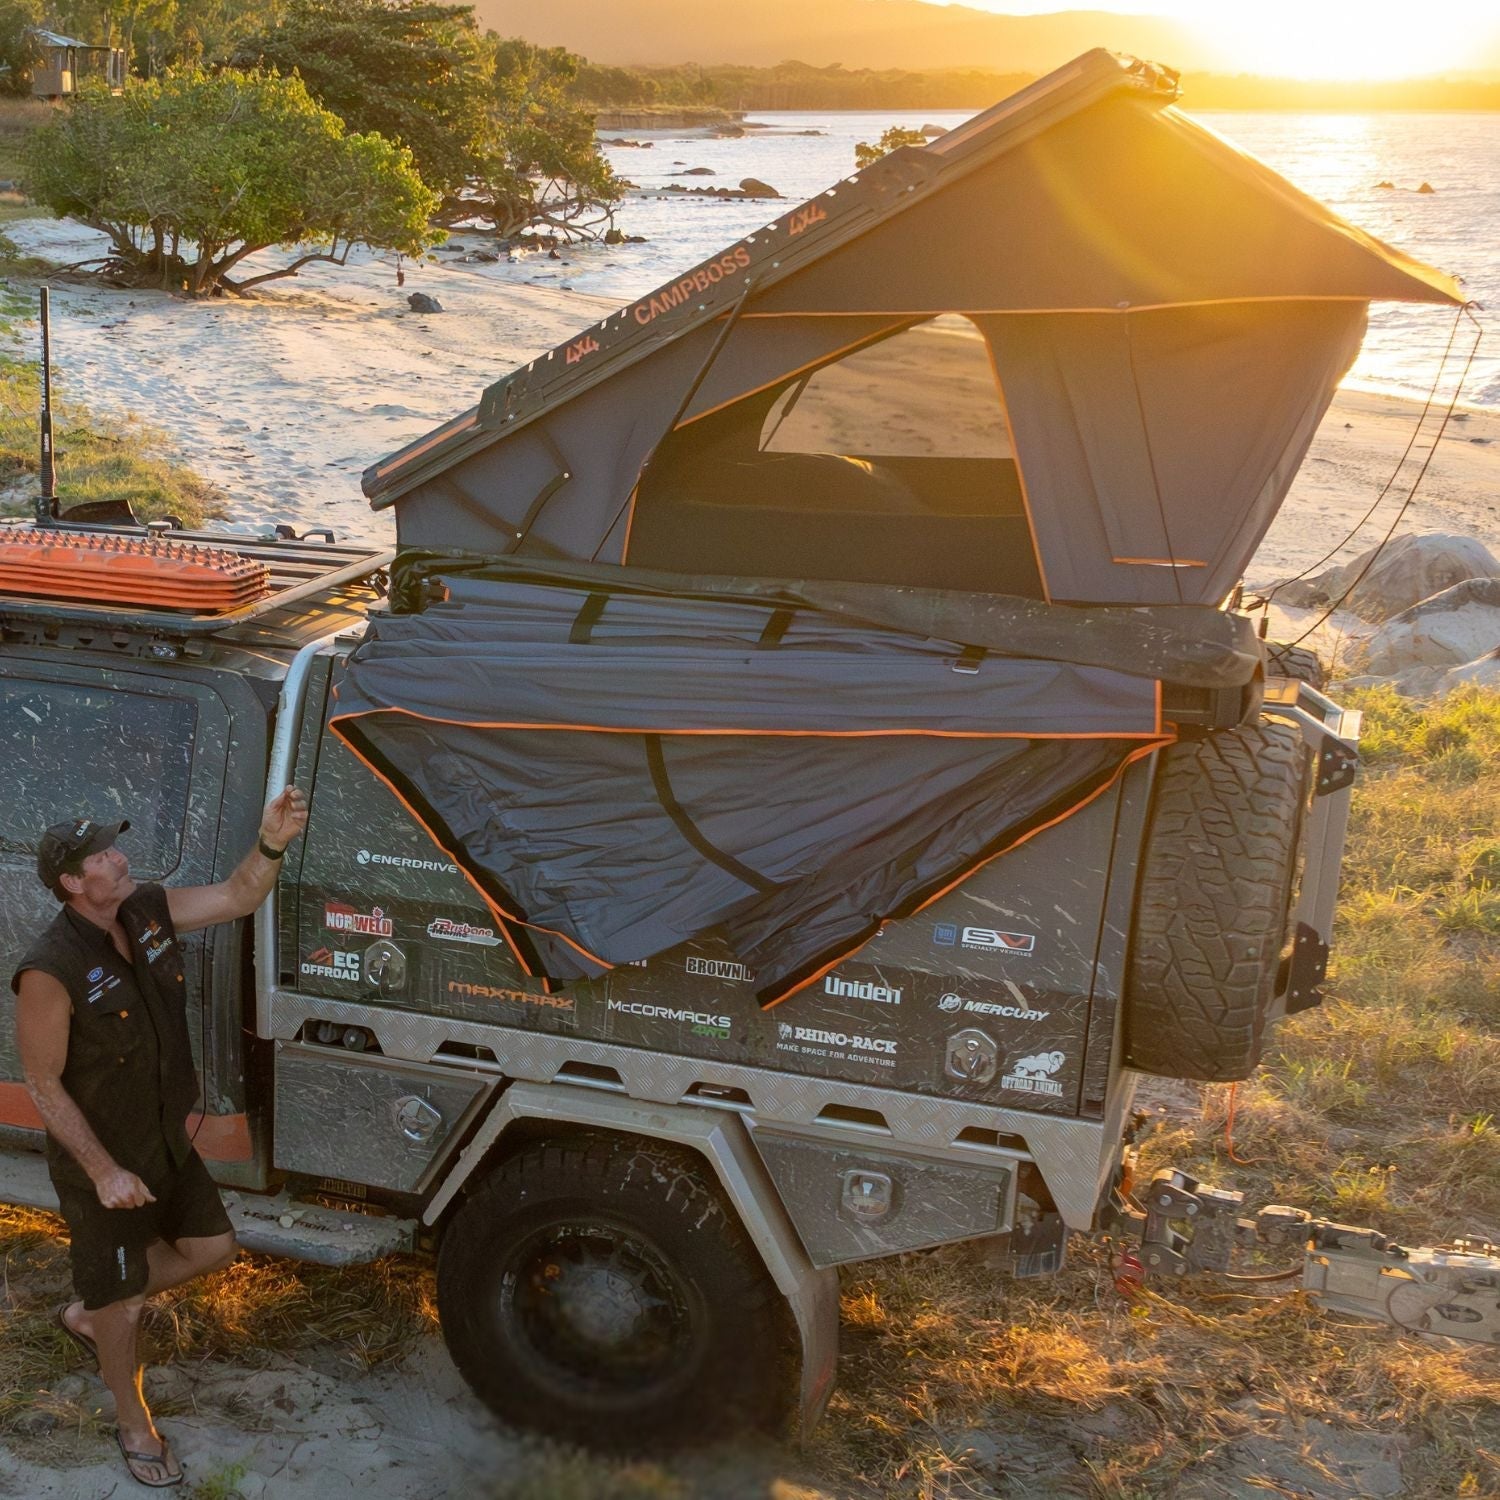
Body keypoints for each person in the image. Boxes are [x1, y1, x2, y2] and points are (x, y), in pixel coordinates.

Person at [12, 788, 308, 1489]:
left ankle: (94, 1310)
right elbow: (43, 1084)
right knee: (125, 1306)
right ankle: (131, 1419)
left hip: (166, 1142)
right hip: (103, 1165)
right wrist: (105, 1172)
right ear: (72, 884)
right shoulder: (47, 970)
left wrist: (272, 841)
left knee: (214, 1249)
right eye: (103, 856)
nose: (120, 858)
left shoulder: (146, 909)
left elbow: (239, 895)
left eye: (115, 845)